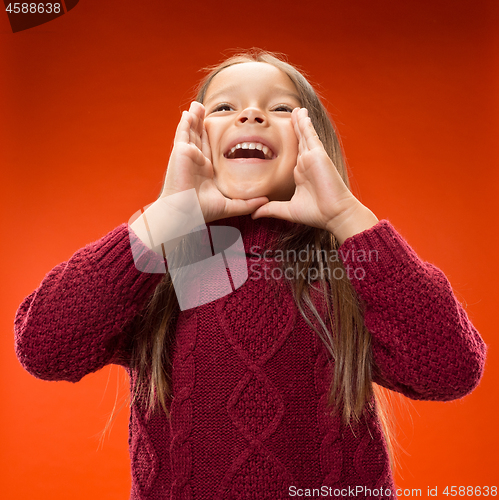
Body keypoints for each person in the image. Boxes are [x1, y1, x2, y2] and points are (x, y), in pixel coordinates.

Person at [14, 48, 487, 500]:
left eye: (281, 108)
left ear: (313, 145)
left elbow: (453, 370)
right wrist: (166, 217)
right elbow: (44, 346)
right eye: (224, 106)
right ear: (196, 142)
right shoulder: (166, 266)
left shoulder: (351, 271)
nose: (251, 116)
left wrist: (345, 214)